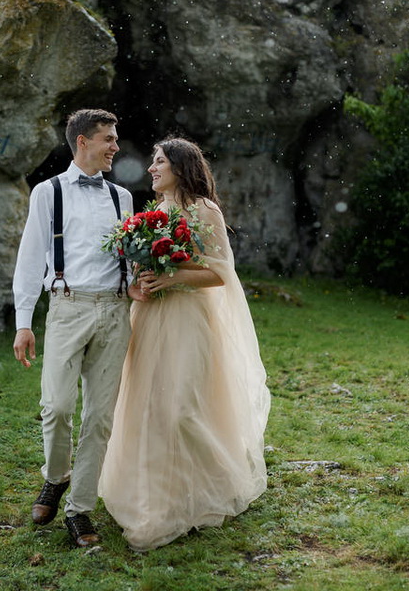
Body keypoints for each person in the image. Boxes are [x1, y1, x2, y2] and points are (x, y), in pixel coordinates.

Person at [99, 137, 271, 551]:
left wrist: (173, 277)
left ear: (179, 166)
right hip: (149, 318)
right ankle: (155, 498)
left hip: (188, 320)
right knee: (148, 407)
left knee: (181, 408)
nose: (151, 169)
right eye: (152, 162)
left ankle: (208, 487)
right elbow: (144, 264)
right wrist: (143, 276)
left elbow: (220, 274)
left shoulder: (203, 209)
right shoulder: (153, 211)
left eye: (159, 162)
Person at [12, 108, 133, 548]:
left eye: (115, 139)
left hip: (116, 311)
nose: (115, 146)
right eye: (108, 139)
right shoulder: (48, 193)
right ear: (83, 141)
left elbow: (127, 257)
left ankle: (79, 509)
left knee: (99, 417)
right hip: (67, 308)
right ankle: (56, 476)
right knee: (57, 406)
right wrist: (24, 323)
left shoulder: (123, 197)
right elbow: (30, 258)